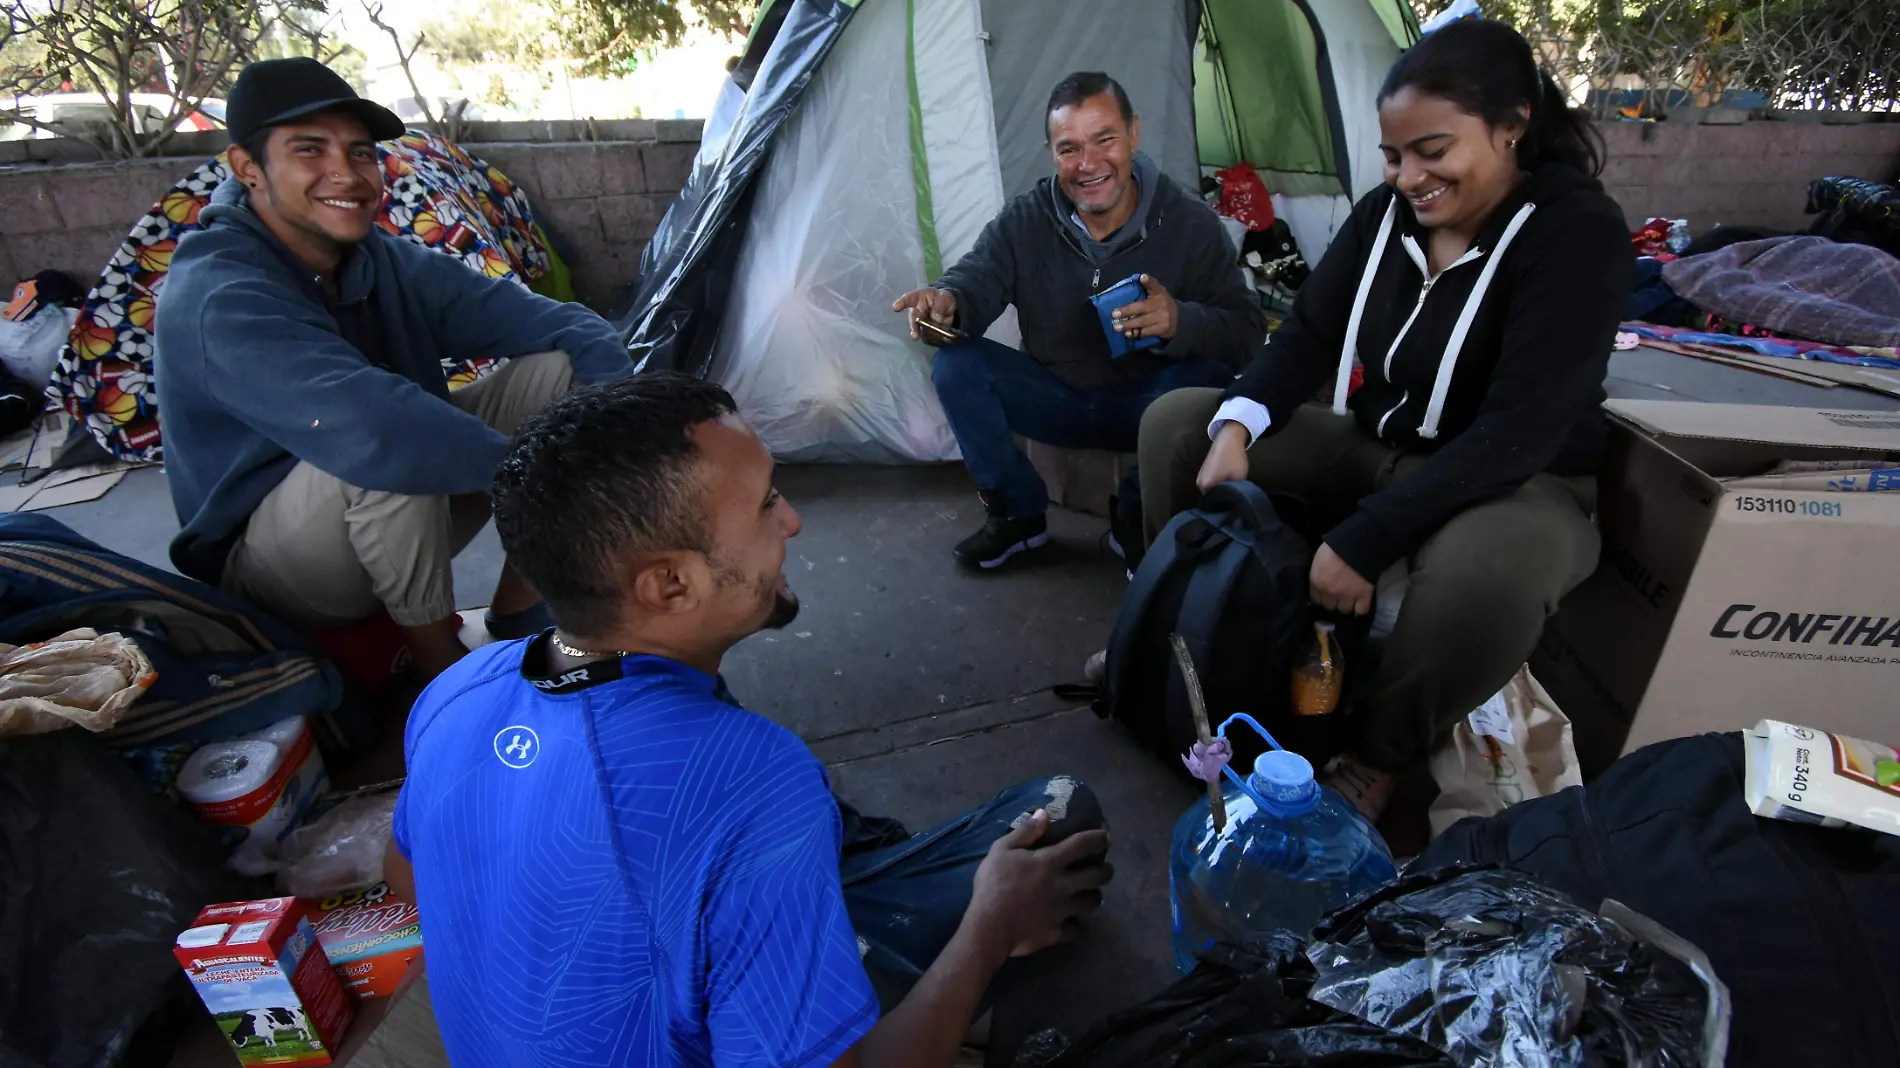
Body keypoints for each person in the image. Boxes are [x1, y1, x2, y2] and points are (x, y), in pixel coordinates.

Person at [382, 372, 1113, 1068]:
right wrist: (992, 926)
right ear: (670, 583)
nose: (792, 519)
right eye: (766, 503)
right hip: (727, 894)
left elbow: (406, 875)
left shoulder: (461, 689)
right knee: (1058, 817)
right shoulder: (752, 782)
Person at [1133, 20, 1634, 817]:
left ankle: (1378, 753)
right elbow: (1304, 337)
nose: (1409, 177)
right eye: (1395, 155)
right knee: (1177, 425)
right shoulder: (1385, 217)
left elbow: (1520, 429)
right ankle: (1171, 636)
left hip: (1517, 476)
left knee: (1490, 579)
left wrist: (1367, 538)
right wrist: (1238, 427)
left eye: (1434, 152)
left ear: (1512, 128)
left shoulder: (1577, 235)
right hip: (1379, 443)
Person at [155, 57, 631, 683]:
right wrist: (540, 485)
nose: (344, 175)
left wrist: (628, 441)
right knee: (382, 439)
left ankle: (525, 602)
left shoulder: (382, 261)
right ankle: (439, 667)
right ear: (248, 168)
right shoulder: (219, 294)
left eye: (358, 153)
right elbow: (372, 426)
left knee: (560, 369)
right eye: (309, 150)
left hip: (397, 506)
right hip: (275, 565)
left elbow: (569, 325)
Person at [893, 71, 1263, 569]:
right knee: (956, 366)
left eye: (1104, 140)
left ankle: (1135, 516)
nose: (1088, 165)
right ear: (1052, 153)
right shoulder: (1027, 218)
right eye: (1069, 148)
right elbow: (979, 274)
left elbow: (1246, 330)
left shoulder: (1189, 223)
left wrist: (1181, 321)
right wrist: (948, 300)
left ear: (1133, 134)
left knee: (1212, 381)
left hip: (1146, 409)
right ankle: (1018, 516)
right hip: (1055, 395)